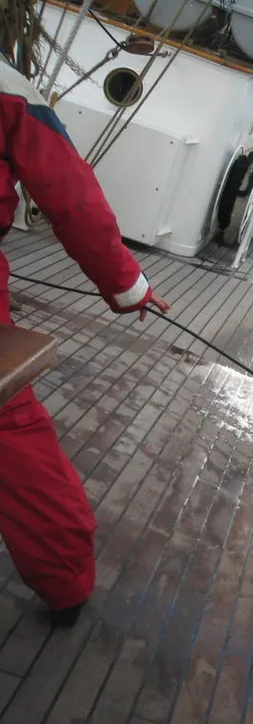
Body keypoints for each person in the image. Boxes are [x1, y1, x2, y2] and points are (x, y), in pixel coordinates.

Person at [0, 57, 169, 626]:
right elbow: (73, 201)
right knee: (9, 429)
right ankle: (65, 583)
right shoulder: (10, 90)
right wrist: (130, 288)